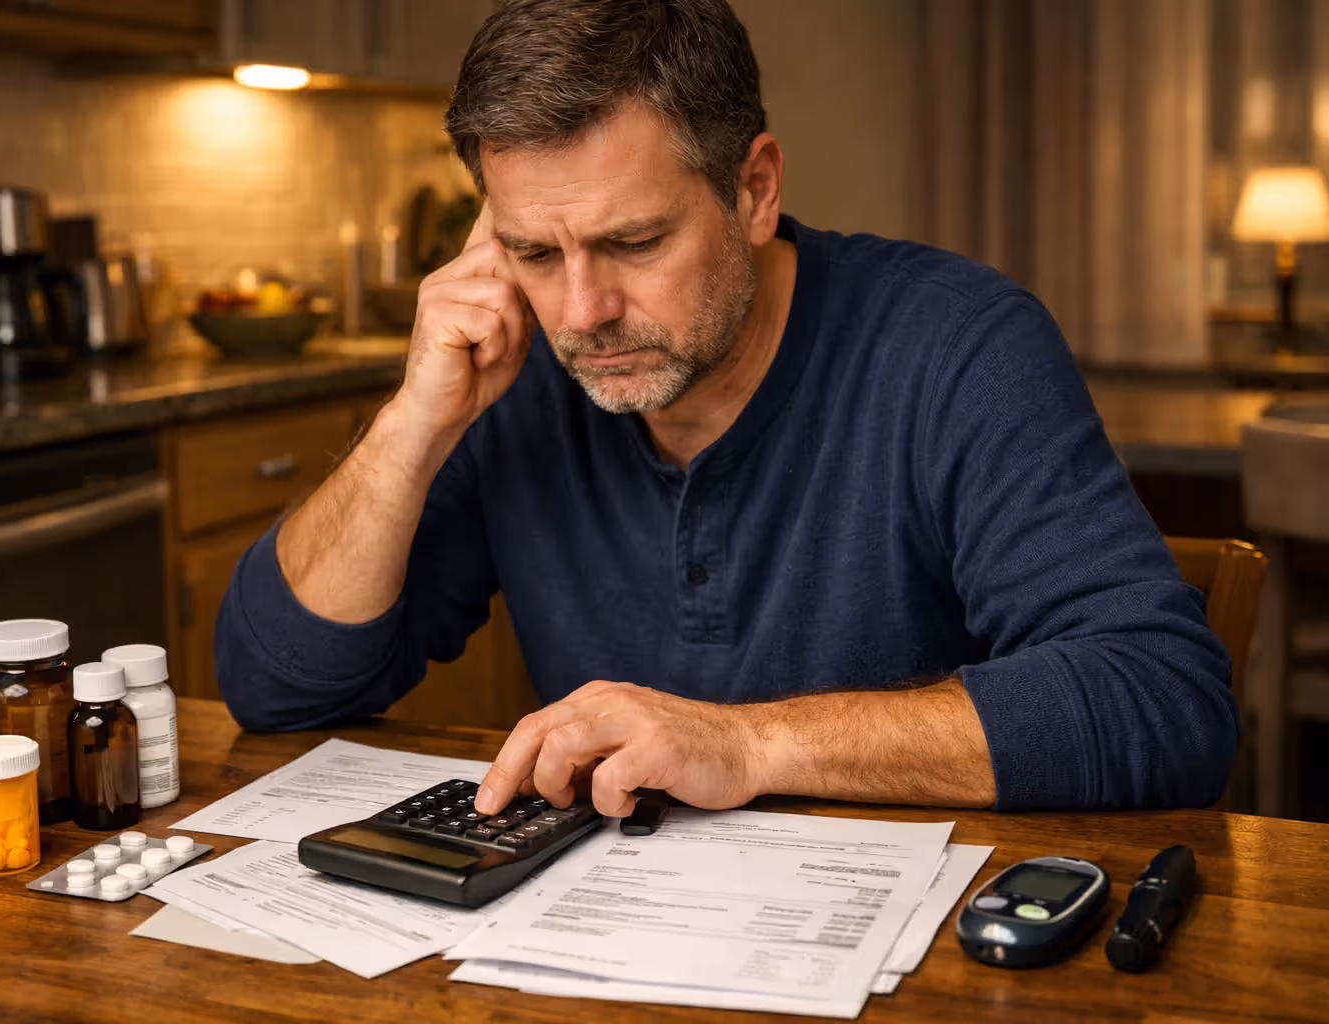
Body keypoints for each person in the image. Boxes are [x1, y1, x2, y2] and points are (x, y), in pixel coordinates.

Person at [215, 0, 1237, 817]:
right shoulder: (518, 369)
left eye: (635, 242)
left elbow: (1161, 697)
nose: (584, 312)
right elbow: (277, 688)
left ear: (753, 189)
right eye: (535, 251)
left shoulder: (960, 346)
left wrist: (744, 741)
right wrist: (415, 420)